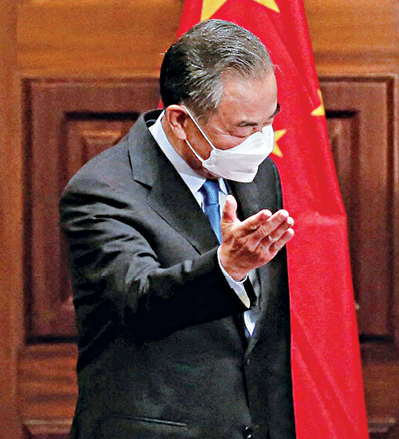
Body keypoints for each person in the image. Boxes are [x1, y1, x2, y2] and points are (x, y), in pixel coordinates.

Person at [60, 19, 296, 439]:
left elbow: (263, 338)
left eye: (269, 121)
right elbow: (139, 304)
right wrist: (226, 268)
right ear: (180, 121)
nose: (261, 141)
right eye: (244, 128)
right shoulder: (101, 190)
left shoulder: (259, 174)